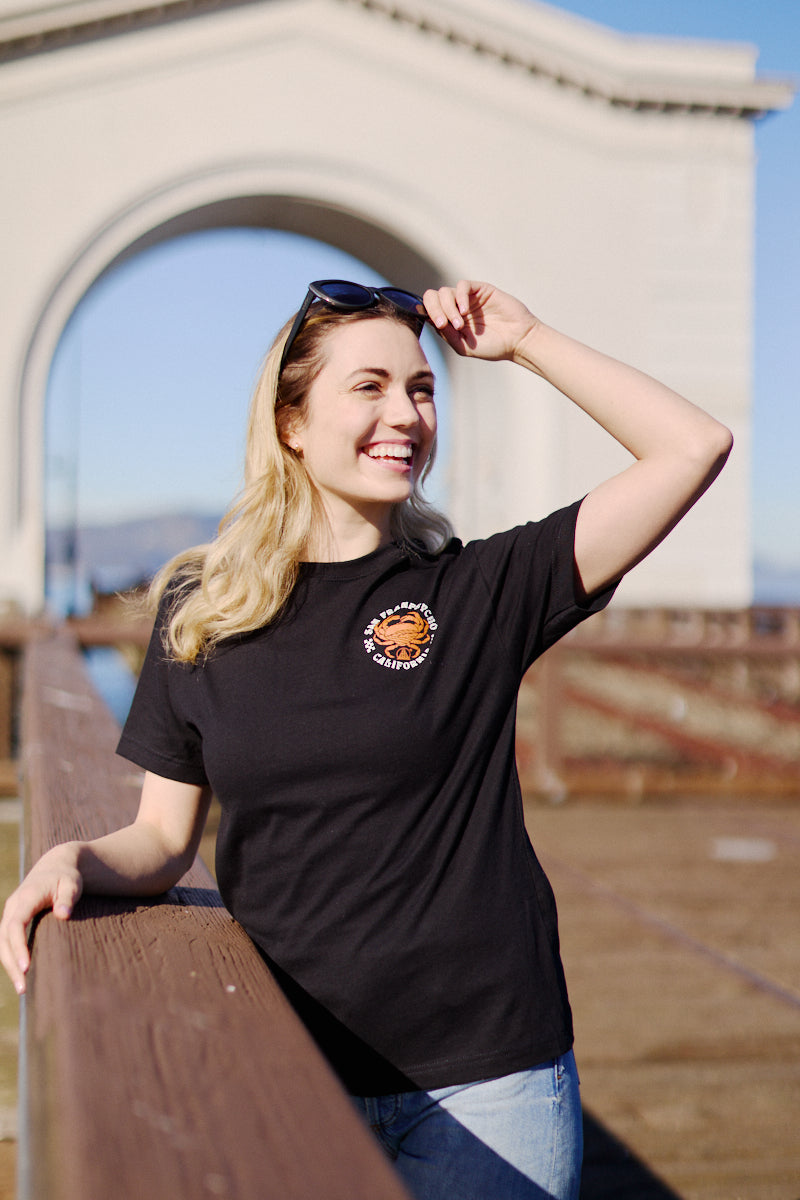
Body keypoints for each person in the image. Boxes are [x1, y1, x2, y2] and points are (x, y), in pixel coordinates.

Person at [0, 278, 732, 1199]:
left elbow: (692, 446)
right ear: (292, 424)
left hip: (488, 1081)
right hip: (289, 1061)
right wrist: (75, 860)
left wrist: (529, 338)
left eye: (422, 389)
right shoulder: (203, 612)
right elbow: (161, 839)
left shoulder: (476, 593)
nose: (407, 413)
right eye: (370, 386)